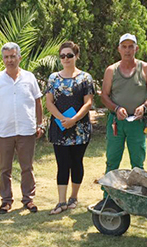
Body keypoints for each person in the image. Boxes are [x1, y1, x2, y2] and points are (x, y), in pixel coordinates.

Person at [0, 42, 44, 214]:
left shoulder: (29, 77)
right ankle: (6, 201)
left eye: (13, 56)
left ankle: (28, 199)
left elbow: (37, 101)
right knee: (5, 168)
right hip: (4, 131)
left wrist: (40, 123)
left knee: (27, 167)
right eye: (6, 57)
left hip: (27, 130)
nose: (9, 60)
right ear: (2, 59)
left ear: (19, 57)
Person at [100, 33, 147, 195]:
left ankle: (139, 196)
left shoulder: (145, 68)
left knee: (138, 164)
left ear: (136, 48)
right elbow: (104, 96)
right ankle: (108, 197)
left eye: (130, 46)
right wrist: (116, 108)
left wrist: (144, 107)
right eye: (124, 47)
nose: (127, 50)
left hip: (137, 122)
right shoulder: (111, 70)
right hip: (116, 123)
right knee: (112, 161)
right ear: (119, 49)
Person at [45, 41, 95, 215]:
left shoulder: (85, 78)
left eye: (69, 55)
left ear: (76, 56)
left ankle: (74, 197)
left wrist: (74, 119)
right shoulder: (53, 78)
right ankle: (61, 202)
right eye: (63, 56)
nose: (66, 58)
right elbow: (49, 103)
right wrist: (63, 119)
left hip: (80, 129)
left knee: (76, 162)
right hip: (60, 128)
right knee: (62, 164)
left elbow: (88, 102)